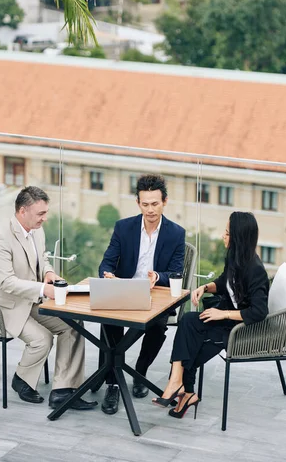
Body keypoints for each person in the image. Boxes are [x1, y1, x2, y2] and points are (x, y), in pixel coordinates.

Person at [0, 186, 97, 410]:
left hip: (29, 298)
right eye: (40, 213)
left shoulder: (36, 230)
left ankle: (63, 391)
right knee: (42, 339)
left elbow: (41, 259)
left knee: (73, 324)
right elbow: (6, 282)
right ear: (22, 211)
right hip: (2, 305)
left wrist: (49, 273)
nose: (45, 218)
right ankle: (21, 379)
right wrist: (44, 289)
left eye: (45, 212)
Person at [153, 211, 269, 419]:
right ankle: (179, 385)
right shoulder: (235, 258)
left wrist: (222, 314)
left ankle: (185, 391)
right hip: (225, 319)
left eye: (227, 233)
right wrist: (205, 287)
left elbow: (259, 312)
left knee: (193, 344)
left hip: (240, 329)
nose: (223, 237)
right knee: (188, 321)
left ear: (238, 237)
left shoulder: (255, 269)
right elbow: (225, 282)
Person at [98, 174, 185, 415]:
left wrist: (158, 277)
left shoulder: (176, 233)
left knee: (158, 327)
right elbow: (106, 263)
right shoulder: (123, 227)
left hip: (154, 295)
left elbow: (176, 272)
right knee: (109, 322)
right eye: (145, 204)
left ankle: (140, 372)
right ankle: (113, 384)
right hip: (124, 290)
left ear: (164, 202)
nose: (150, 210)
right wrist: (108, 276)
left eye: (155, 204)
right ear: (138, 203)